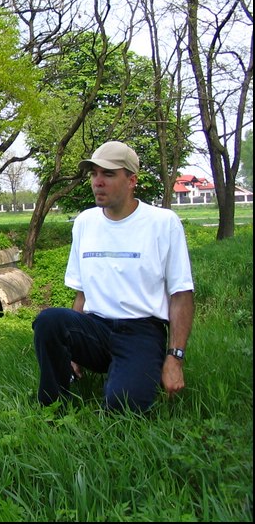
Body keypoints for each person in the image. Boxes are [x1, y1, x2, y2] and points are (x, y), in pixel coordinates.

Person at [32, 141, 195, 412]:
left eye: (108, 174)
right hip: (96, 327)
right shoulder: (85, 223)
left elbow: (181, 294)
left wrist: (175, 359)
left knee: (124, 406)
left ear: (131, 180)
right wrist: (72, 351)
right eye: (94, 174)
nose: (98, 182)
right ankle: (52, 407)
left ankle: (130, 374)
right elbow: (82, 294)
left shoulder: (163, 223)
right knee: (49, 321)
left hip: (141, 332)